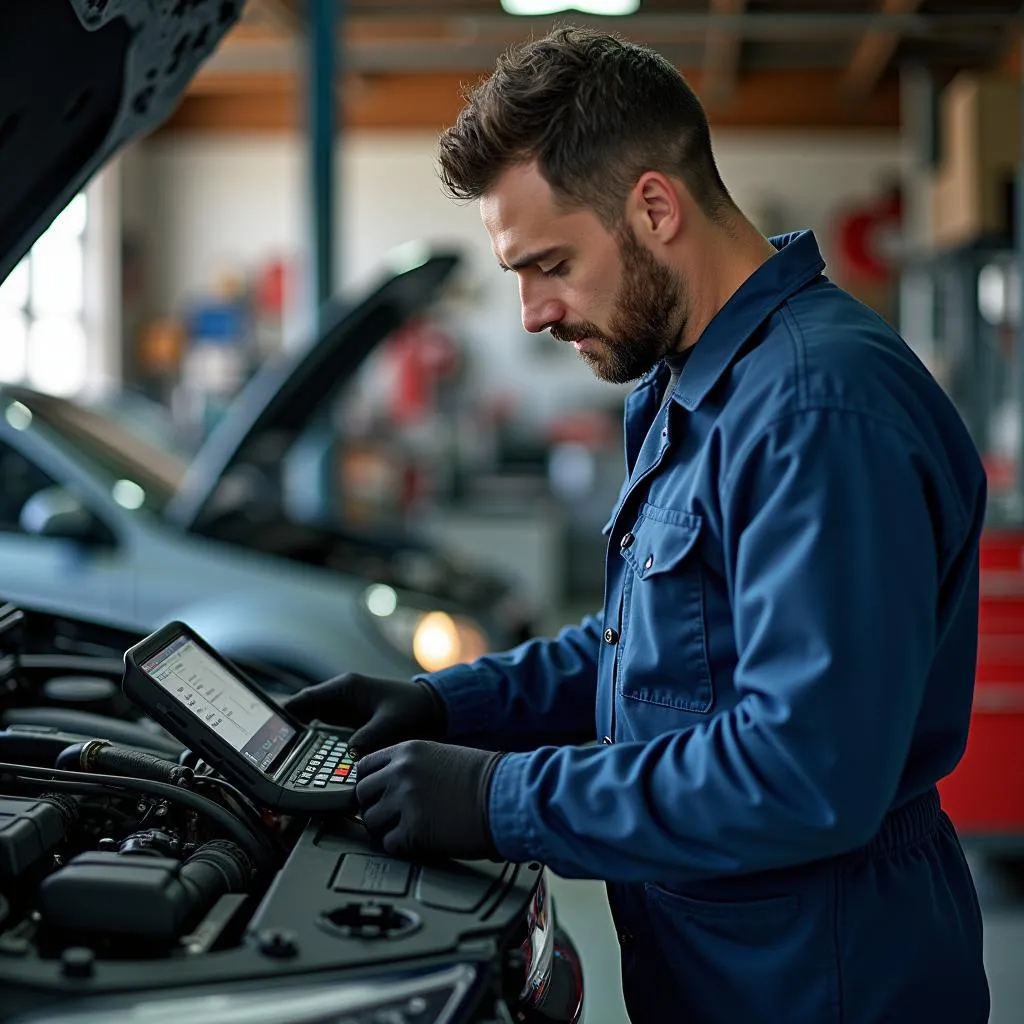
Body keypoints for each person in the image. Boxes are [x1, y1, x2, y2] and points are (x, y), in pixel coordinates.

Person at [286, 27, 991, 1024]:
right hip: (723, 962)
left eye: (550, 265)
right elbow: (657, 652)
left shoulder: (814, 412)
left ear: (654, 207)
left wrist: (498, 799)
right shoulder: (683, 384)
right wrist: (446, 707)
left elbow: (802, 772)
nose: (530, 312)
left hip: (821, 977)